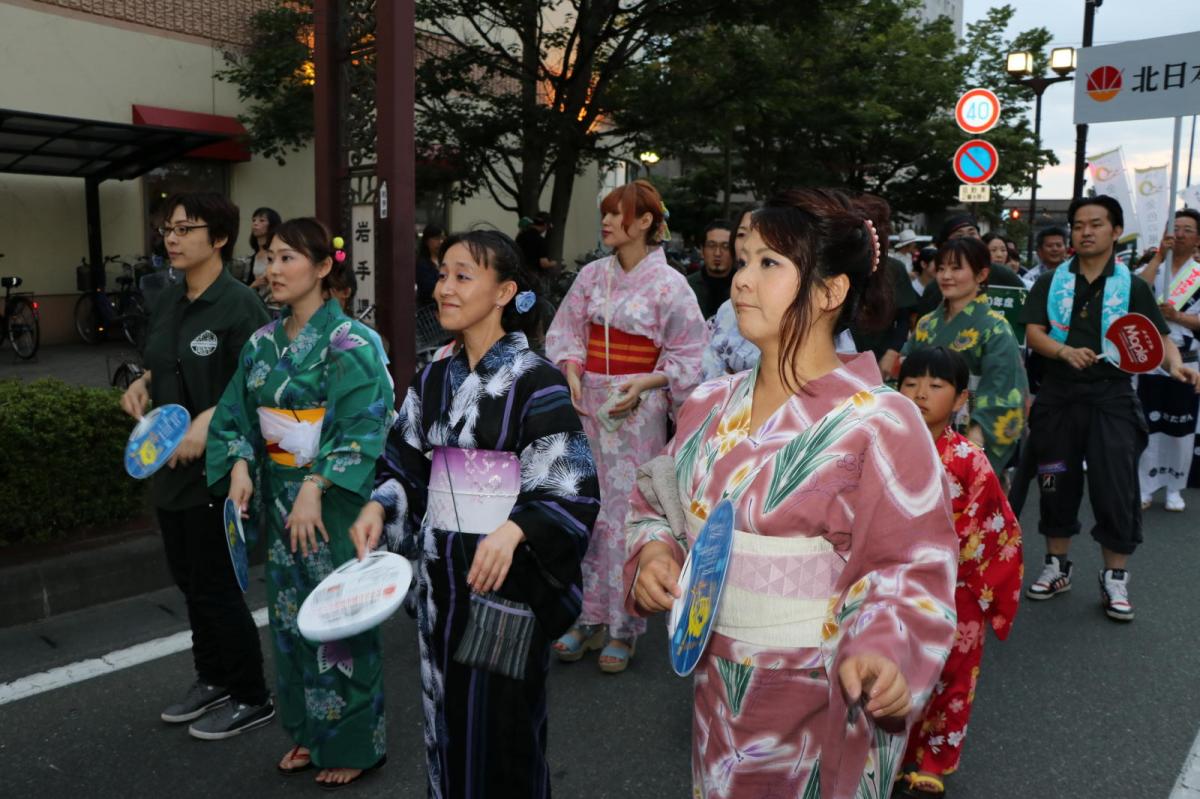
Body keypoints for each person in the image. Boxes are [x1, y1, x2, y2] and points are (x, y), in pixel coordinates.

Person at [625, 188, 958, 798]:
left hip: (822, 693)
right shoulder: (708, 404)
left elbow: (911, 566)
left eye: (768, 263)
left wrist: (883, 650)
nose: (742, 281)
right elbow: (659, 501)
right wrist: (655, 554)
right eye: (743, 260)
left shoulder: (880, 421)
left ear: (831, 292)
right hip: (718, 688)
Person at [353, 230, 600, 797]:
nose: (445, 287)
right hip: (444, 584)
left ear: (504, 292)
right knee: (445, 726)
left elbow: (573, 489)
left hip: (507, 589)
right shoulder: (434, 376)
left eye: (464, 276)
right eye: (443, 274)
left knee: (504, 735)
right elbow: (405, 466)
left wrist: (515, 529)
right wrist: (379, 504)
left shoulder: (537, 382)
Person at [206, 218, 393, 787]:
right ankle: (309, 733)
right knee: (289, 620)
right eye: (268, 258)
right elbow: (236, 411)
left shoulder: (352, 342)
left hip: (333, 502)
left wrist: (316, 484)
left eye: (287, 258)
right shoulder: (263, 342)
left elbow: (365, 422)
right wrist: (239, 461)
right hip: (280, 497)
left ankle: (356, 744)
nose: (273, 270)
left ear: (322, 267)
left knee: (341, 618)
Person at [120, 192, 272, 739]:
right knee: (188, 580)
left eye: (186, 228)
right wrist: (140, 386)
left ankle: (252, 692)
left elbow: (255, 385)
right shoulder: (168, 299)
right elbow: (161, 361)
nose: (173, 237)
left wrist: (208, 423)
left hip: (218, 468)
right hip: (168, 467)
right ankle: (212, 677)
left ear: (221, 238)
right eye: (169, 228)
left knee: (215, 585)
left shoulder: (240, 306)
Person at [544, 179, 707, 673]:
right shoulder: (593, 275)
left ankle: (624, 626)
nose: (608, 221)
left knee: (629, 514)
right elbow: (567, 331)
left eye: (619, 214)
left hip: (639, 411)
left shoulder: (670, 285)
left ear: (645, 224)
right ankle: (586, 615)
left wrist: (647, 382)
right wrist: (571, 368)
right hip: (590, 405)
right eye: (607, 213)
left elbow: (689, 354)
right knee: (586, 509)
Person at [1021, 195, 1200, 622]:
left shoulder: (1133, 285)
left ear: (1116, 231)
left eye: (1096, 224)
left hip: (1111, 399)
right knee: (1054, 479)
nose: (1085, 231)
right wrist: (1064, 352)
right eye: (1079, 224)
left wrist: (1177, 365)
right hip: (1059, 397)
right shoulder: (1052, 281)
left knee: (1115, 485)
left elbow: (1157, 340)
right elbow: (1034, 332)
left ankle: (1115, 576)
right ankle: (1057, 565)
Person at [895, 347, 1023, 799]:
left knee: (952, 673)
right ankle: (894, 753)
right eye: (910, 384)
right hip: (892, 580)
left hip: (958, 583)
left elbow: (985, 525)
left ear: (961, 397)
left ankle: (933, 759)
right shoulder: (881, 447)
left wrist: (932, 561)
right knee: (896, 667)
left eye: (935, 385)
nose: (920, 394)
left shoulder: (970, 459)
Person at [903, 237, 1029, 473]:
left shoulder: (995, 328)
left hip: (967, 429)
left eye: (956, 268)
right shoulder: (927, 324)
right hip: (922, 429)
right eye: (941, 268)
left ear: (981, 275)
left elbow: (1002, 390)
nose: (946, 276)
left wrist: (976, 439)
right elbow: (904, 369)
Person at [1135, 209, 1200, 511]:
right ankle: (1145, 485)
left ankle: (1175, 486)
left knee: (1181, 425)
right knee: (1150, 423)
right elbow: (1135, 294)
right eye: (1176, 228)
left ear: (1197, 238)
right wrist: (1158, 257)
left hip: (1186, 360)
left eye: (1188, 229)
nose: (1181, 234)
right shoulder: (1155, 267)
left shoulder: (1198, 275)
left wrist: (1180, 317)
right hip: (1152, 358)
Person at [687, 219, 734, 318]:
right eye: (711, 246)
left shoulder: (743, 287)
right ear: (701, 250)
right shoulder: (686, 287)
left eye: (725, 247)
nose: (717, 253)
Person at [246, 206, 282, 294]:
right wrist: (254, 284)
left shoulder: (278, 253)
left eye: (261, 220)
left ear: (272, 225)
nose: (255, 223)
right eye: (254, 220)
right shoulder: (254, 256)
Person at [416, 224, 446, 308]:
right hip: (429, 312)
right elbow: (429, 290)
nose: (441, 242)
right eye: (436, 238)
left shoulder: (447, 260)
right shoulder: (422, 264)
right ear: (426, 241)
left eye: (443, 238)